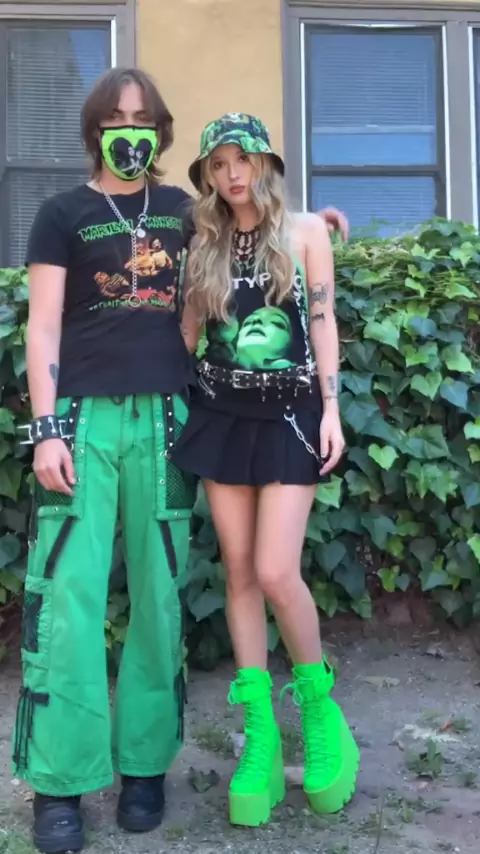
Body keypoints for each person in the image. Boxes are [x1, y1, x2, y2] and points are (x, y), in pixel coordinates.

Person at [12, 70, 348, 853]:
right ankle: (59, 783)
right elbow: (43, 326)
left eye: (142, 120)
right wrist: (46, 428)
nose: (128, 132)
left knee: (160, 598)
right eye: (114, 119)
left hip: (167, 418)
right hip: (82, 420)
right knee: (67, 596)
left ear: (160, 133)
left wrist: (321, 223)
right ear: (94, 128)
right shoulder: (60, 214)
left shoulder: (181, 212)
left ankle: (143, 768)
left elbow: (254, 224)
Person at [173, 113, 359, 828]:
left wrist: (332, 409)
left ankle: (320, 714)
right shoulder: (203, 243)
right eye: (218, 165)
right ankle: (261, 737)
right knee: (240, 574)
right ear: (208, 176)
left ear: (265, 164)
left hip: (291, 417)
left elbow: (322, 323)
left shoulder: (306, 232)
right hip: (221, 415)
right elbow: (187, 334)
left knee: (278, 571)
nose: (232, 175)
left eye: (242, 160)